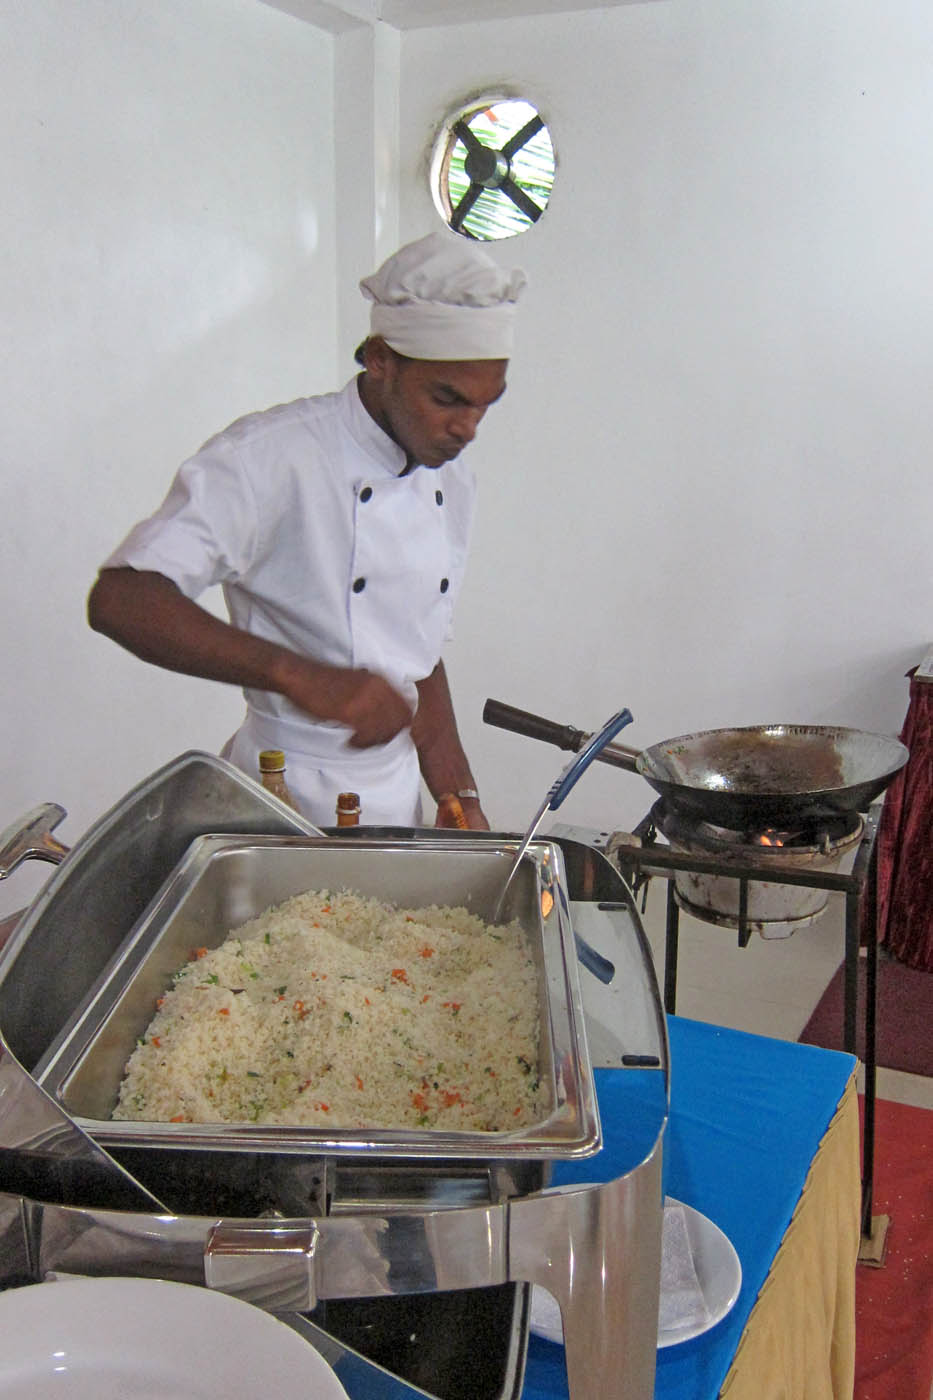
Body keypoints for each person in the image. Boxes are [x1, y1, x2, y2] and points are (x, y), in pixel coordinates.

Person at [87, 231, 526, 829]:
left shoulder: (452, 483)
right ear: (380, 361)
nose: (467, 428)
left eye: (485, 405)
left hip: (395, 800)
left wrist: (459, 796)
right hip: (276, 793)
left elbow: (418, 659)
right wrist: (302, 677)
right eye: (447, 398)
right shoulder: (269, 457)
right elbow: (121, 597)